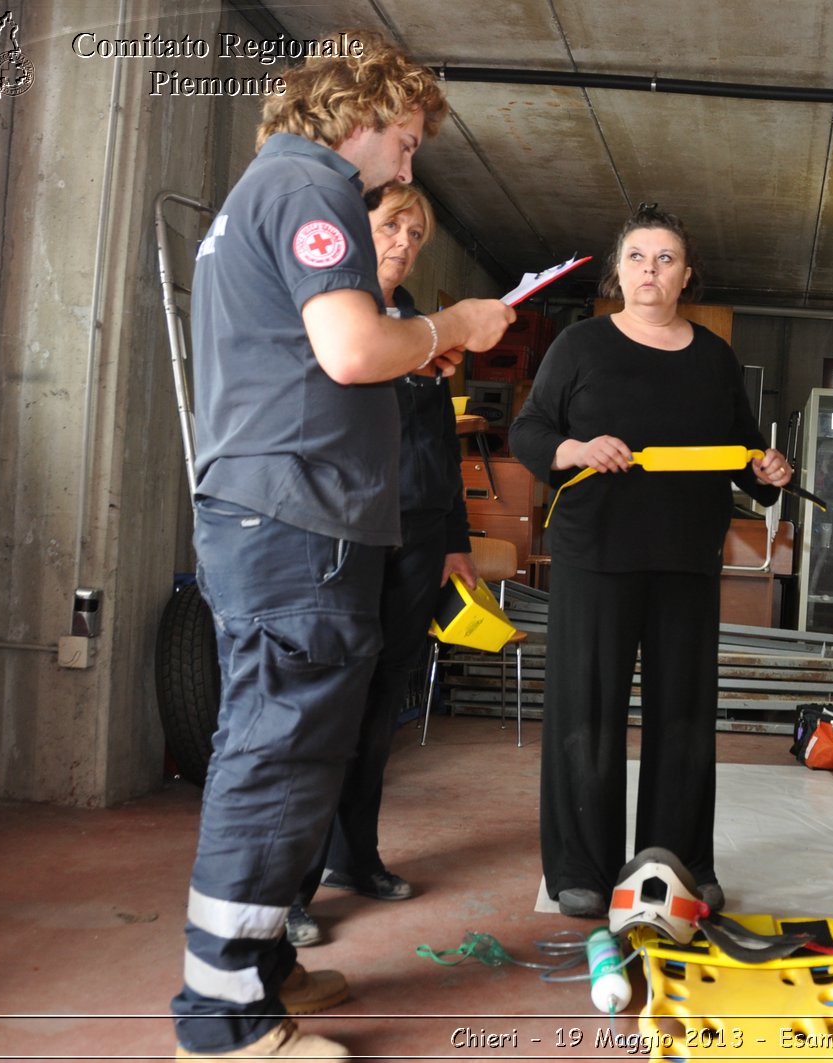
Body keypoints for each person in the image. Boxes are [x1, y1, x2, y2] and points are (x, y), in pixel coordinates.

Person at [172, 34, 513, 1060]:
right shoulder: (312, 189)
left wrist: (422, 341)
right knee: (275, 755)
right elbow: (354, 349)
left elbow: (331, 355)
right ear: (354, 116)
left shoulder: (267, 194)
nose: (406, 167)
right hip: (294, 514)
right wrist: (449, 318)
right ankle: (221, 1019)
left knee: (299, 749)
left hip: (285, 508)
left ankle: (262, 966)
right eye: (403, 142)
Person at [509, 204, 792, 919]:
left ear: (686, 275)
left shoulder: (714, 358)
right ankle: (580, 867)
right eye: (638, 257)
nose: (650, 271)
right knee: (587, 711)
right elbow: (531, 430)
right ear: (618, 271)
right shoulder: (580, 346)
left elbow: (744, 455)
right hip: (595, 553)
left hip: (686, 558)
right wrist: (573, 449)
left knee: (684, 716)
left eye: (666, 259)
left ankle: (681, 860)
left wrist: (771, 469)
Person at [285, 183, 478, 948]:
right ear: (355, 230)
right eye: (391, 224)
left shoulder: (419, 331)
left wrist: (455, 537)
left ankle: (353, 856)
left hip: (418, 535)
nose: (403, 240)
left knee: (381, 706)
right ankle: (291, 886)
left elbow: (442, 443)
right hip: (346, 536)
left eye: (416, 231)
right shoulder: (337, 320)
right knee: (328, 707)